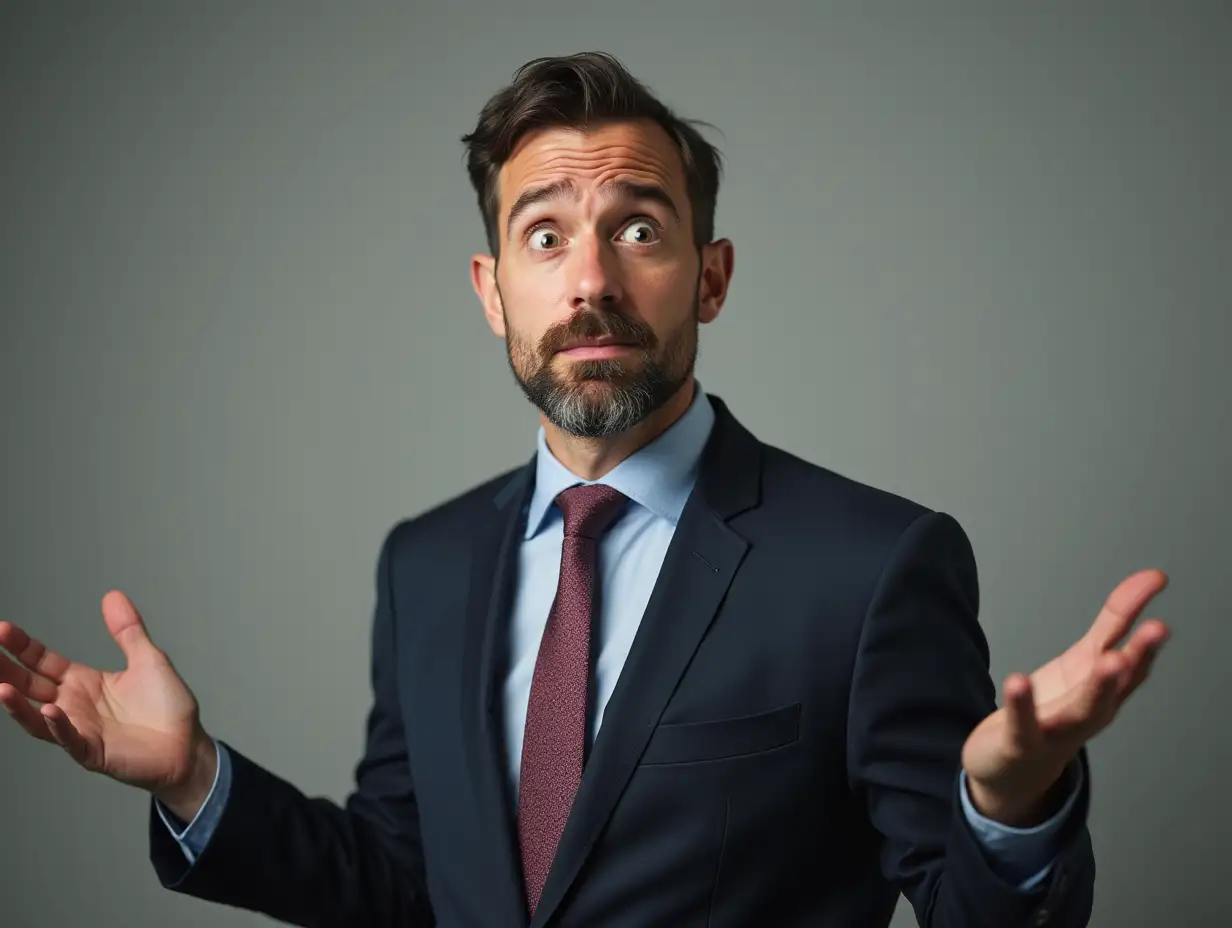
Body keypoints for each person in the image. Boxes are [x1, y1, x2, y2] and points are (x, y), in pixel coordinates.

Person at [0, 51, 1170, 928]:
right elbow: (406, 883)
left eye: (639, 229)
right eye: (544, 235)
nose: (591, 281)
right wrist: (199, 779)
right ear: (490, 288)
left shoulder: (871, 567)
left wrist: (1005, 802)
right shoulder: (426, 563)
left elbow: (979, 911)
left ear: (708, 278)